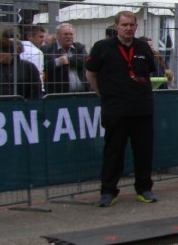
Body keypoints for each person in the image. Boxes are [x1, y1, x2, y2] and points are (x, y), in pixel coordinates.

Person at [86, 11, 159, 207]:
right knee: (113, 151)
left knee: (143, 151)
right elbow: (91, 74)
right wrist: (103, 94)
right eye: (124, 25)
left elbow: (149, 72)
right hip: (115, 109)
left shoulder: (143, 47)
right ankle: (108, 191)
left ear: (136, 26)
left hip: (142, 109)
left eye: (131, 25)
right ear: (116, 26)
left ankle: (144, 188)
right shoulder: (102, 47)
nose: (128, 28)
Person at [43, 23, 89, 94]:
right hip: (58, 94)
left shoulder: (79, 47)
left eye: (71, 34)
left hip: (82, 93)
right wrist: (58, 61)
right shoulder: (47, 49)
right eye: (66, 34)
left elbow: (85, 60)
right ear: (57, 36)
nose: (69, 37)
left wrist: (67, 59)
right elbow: (44, 65)